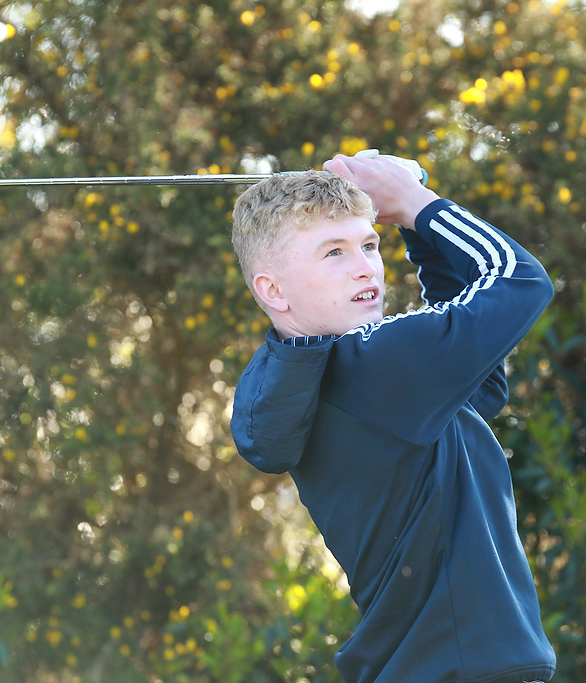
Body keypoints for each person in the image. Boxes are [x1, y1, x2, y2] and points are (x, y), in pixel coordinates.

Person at [229, 153, 557, 683]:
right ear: (273, 290)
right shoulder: (376, 364)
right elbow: (521, 281)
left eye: (369, 244)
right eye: (333, 252)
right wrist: (415, 204)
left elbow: (482, 387)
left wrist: (416, 223)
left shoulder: (326, 379)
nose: (364, 267)